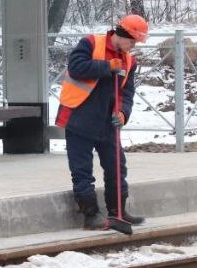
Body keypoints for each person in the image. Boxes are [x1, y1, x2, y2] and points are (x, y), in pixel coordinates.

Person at [56, 14, 148, 229]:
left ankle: (118, 211)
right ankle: (91, 215)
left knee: (116, 166)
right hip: (80, 118)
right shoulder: (90, 43)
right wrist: (107, 66)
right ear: (123, 34)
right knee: (82, 170)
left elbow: (127, 93)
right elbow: (76, 68)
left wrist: (124, 113)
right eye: (132, 41)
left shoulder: (129, 61)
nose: (133, 46)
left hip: (108, 123)